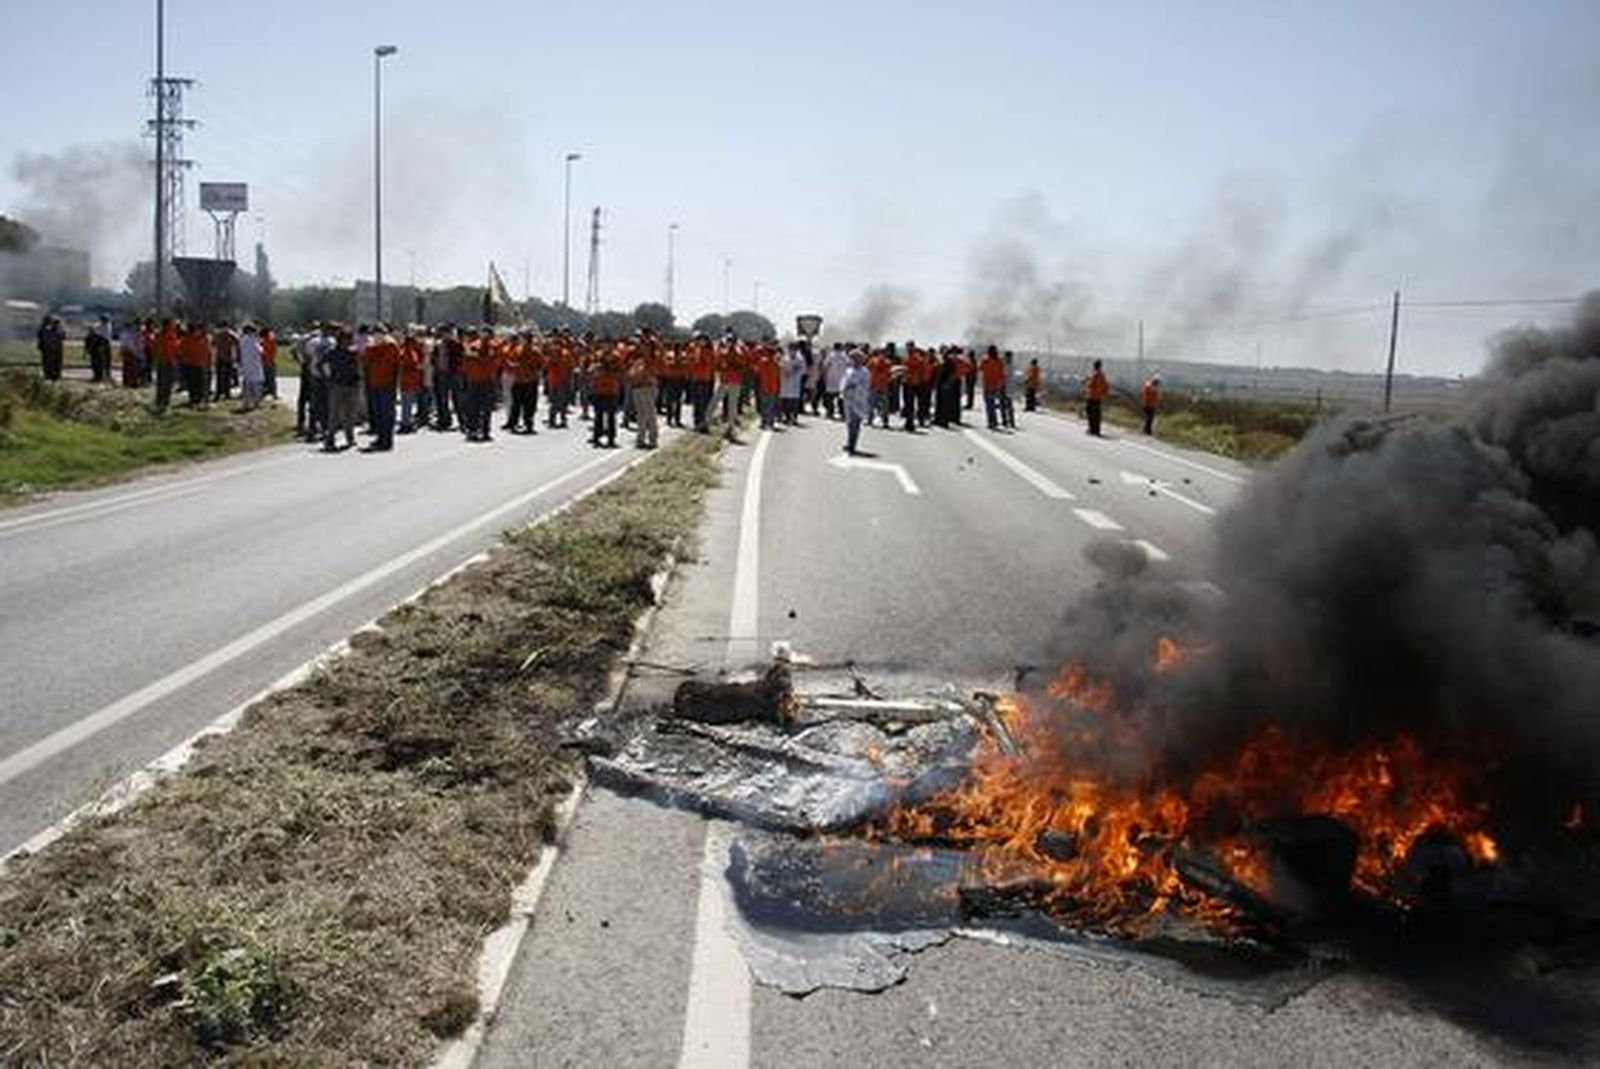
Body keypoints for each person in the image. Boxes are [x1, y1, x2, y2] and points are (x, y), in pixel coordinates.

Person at [360, 325, 400, 451]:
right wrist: (370, 348)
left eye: (378, 334)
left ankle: (387, 441)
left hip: (387, 384)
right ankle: (380, 437)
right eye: (374, 334)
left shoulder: (391, 346)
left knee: (386, 413)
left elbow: (391, 365)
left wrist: (374, 348)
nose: (375, 337)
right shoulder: (372, 348)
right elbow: (366, 362)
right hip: (374, 384)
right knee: (378, 413)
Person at [322, 328, 361, 451]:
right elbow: (323, 365)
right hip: (337, 385)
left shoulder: (353, 353)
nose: (348, 342)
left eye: (349, 339)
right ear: (340, 340)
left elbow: (357, 368)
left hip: (350, 385)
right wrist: (329, 378)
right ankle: (330, 439)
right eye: (346, 339)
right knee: (334, 415)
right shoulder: (332, 352)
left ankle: (350, 438)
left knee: (349, 414)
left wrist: (358, 380)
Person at [839, 348, 872, 455]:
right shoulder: (849, 370)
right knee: (849, 424)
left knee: (855, 424)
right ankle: (849, 442)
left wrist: (855, 387)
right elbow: (843, 382)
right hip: (848, 400)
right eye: (852, 358)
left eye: (857, 358)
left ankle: (853, 444)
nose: (854, 360)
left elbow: (865, 385)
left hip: (858, 401)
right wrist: (843, 390)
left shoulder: (865, 371)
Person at [589, 343, 622, 448]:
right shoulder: (597, 359)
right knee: (598, 416)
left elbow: (619, 370)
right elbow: (591, 372)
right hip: (599, 391)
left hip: (611, 390)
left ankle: (611, 439)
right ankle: (596, 437)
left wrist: (609, 365)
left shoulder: (616, 357)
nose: (607, 347)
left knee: (611, 416)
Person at [629, 340, 661, 448]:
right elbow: (631, 373)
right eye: (642, 346)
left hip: (647, 388)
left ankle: (653, 439)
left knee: (650, 415)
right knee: (640, 416)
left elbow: (653, 373)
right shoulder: (639, 360)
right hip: (637, 388)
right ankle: (640, 439)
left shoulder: (654, 359)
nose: (643, 348)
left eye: (646, 346)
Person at [237, 323, 265, 410]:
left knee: (247, 386)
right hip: (254, 365)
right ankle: (256, 403)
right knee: (256, 386)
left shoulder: (242, 340)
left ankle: (246, 403)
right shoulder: (253, 340)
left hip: (246, 365)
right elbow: (259, 351)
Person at [1085, 358, 1109, 437]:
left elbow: (1090, 385)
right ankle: (1097, 430)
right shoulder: (1102, 375)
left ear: (1094, 366)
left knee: (1090, 413)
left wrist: (1086, 382)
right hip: (1098, 398)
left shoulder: (1094, 375)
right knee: (1097, 415)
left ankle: (1092, 429)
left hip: (1091, 397)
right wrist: (1103, 394)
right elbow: (1106, 386)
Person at [36, 315, 64, 381]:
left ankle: (55, 374)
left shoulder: (57, 329)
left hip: (55, 348)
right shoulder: (44, 329)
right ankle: (50, 374)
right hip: (49, 348)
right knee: (49, 362)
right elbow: (40, 337)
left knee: (55, 362)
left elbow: (62, 336)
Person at [84, 317, 112, 382]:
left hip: (102, 344)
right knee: (101, 363)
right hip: (102, 344)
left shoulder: (105, 326)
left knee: (102, 362)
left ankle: (101, 376)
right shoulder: (104, 326)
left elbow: (98, 332)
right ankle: (101, 376)